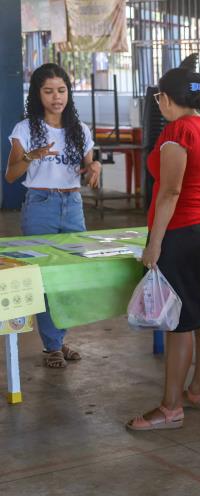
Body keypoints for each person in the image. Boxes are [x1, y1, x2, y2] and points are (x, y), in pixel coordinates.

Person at [126, 55, 200, 430]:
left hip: (180, 233)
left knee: (179, 322)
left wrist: (154, 244)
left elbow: (169, 191)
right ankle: (199, 390)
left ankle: (170, 407)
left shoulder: (177, 133)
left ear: (167, 99)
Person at [5, 63, 101, 369]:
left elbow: (88, 168)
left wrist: (94, 169)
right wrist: (33, 155)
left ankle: (57, 340)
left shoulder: (80, 130)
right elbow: (10, 175)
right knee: (44, 277)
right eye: (48, 91)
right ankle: (52, 346)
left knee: (71, 275)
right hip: (40, 205)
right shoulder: (25, 129)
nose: (56, 97)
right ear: (37, 94)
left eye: (61, 90)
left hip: (72, 204)